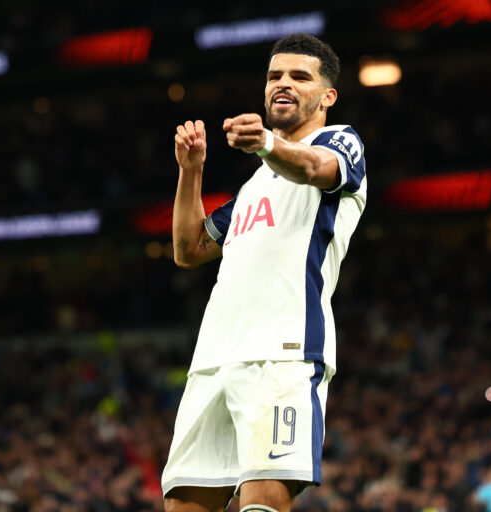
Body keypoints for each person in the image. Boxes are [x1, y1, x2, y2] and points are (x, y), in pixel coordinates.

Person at [162, 33, 366, 512]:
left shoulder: (340, 141)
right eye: (275, 75)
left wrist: (267, 143)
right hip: (214, 357)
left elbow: (316, 168)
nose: (284, 83)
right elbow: (189, 250)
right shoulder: (254, 186)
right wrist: (191, 172)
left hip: (284, 355)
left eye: (300, 76)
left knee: (263, 505)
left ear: (327, 95)